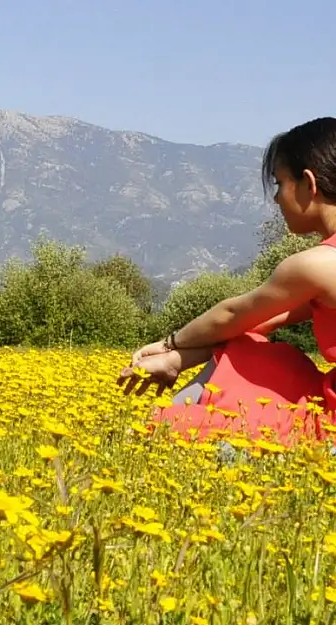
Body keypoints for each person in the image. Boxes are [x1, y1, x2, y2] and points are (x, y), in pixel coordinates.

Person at [117, 116, 336, 445]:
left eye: (279, 183)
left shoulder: (317, 265)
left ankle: (148, 440)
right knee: (252, 350)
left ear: (308, 183)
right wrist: (178, 360)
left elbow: (232, 315)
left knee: (237, 373)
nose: (276, 198)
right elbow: (260, 322)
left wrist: (169, 344)